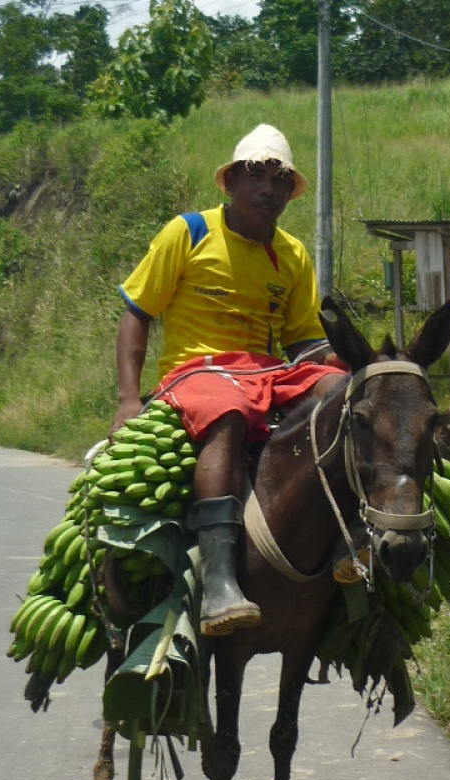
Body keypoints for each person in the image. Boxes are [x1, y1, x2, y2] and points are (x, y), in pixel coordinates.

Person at [111, 124, 346, 637]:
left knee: (347, 396)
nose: (269, 189)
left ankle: (354, 537)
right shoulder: (189, 232)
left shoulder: (292, 254)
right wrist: (129, 398)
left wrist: (351, 363)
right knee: (229, 411)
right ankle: (219, 579)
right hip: (200, 373)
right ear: (231, 183)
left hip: (266, 370)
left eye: (280, 181)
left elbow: (302, 341)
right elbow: (137, 311)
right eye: (256, 177)